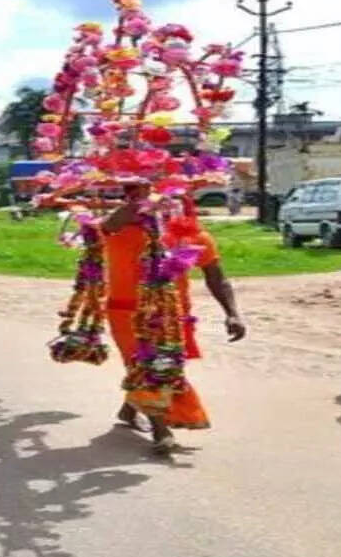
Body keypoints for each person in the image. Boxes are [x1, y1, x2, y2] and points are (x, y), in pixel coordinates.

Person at [101, 183, 246, 454]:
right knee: (150, 365)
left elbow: (216, 276)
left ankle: (130, 410)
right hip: (126, 312)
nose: (162, 206)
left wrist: (233, 314)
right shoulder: (118, 228)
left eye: (172, 202)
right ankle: (161, 430)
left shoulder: (195, 236)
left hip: (174, 314)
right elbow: (110, 223)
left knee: (163, 365)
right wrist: (135, 207)